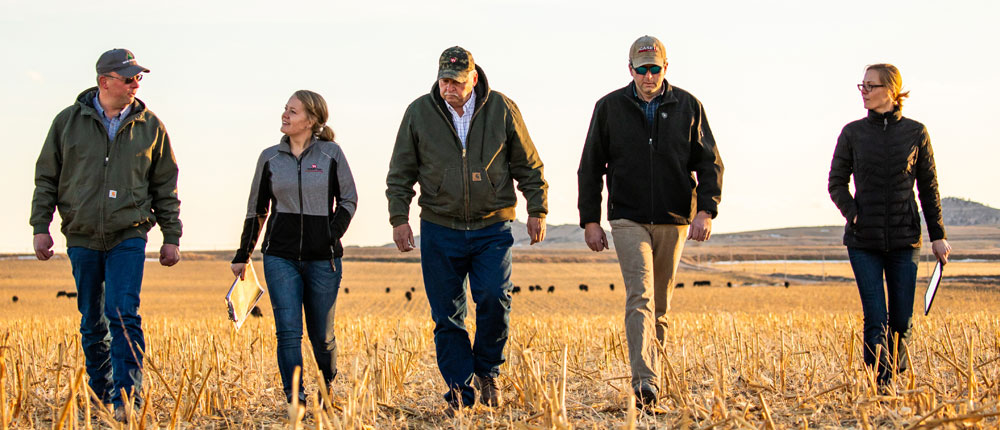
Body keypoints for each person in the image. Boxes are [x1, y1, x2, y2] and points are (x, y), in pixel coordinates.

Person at [386, 46, 548, 410]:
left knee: (494, 297)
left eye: (457, 82)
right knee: (447, 315)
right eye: (444, 80)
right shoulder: (418, 113)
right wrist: (399, 218)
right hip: (440, 228)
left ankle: (488, 371)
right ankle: (460, 389)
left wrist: (537, 208)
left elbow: (528, 164)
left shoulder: (502, 108)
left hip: (492, 226)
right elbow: (400, 174)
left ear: (473, 79)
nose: (449, 88)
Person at [30, 48, 182, 422]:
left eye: (138, 78)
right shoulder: (67, 123)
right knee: (92, 321)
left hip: (128, 233)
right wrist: (40, 227)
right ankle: (100, 395)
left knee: (123, 313)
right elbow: (46, 177)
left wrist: (171, 236)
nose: (135, 84)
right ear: (105, 81)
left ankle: (126, 398)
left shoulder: (151, 126)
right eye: (128, 77)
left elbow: (165, 185)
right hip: (81, 235)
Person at [577, 35, 724, 408]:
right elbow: (590, 167)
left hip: (674, 218)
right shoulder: (609, 107)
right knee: (639, 296)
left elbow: (709, 164)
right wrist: (590, 221)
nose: (648, 76)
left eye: (654, 69)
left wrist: (705, 210)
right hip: (627, 218)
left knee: (660, 306)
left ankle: (653, 374)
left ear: (665, 68)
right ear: (630, 70)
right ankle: (644, 384)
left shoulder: (688, 106)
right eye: (641, 69)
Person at [231, 90, 357, 407]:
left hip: (323, 259)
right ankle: (295, 398)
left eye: (293, 111)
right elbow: (256, 209)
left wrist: (330, 235)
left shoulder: (331, 154)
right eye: (285, 109)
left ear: (311, 120)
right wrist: (243, 255)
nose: (285, 115)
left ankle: (327, 389)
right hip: (279, 256)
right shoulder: (269, 157)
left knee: (322, 337)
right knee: (288, 333)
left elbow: (348, 200)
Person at [828, 63, 951, 388]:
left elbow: (929, 187)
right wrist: (853, 213)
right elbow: (836, 183)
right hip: (862, 241)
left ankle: (896, 379)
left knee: (901, 321)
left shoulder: (916, 132)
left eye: (871, 86)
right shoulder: (852, 133)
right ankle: (880, 388)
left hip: (904, 240)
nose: (864, 91)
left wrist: (938, 236)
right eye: (862, 85)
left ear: (892, 91)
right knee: (875, 320)